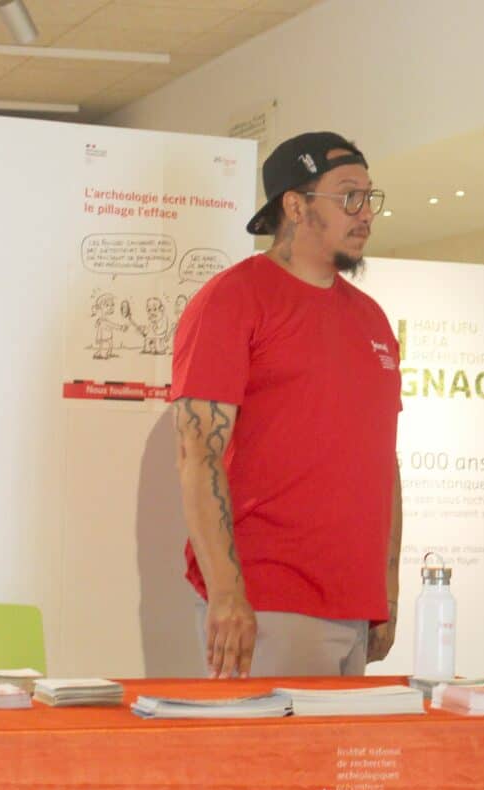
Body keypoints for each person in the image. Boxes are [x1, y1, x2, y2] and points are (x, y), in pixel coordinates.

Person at [171, 131, 402, 679]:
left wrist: (386, 588)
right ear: (294, 206)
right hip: (267, 603)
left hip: (355, 606)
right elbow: (197, 453)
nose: (365, 212)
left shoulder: (371, 318)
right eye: (348, 196)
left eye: (370, 198)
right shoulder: (234, 299)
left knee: (342, 768)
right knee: (274, 767)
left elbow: (383, 459)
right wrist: (227, 595)